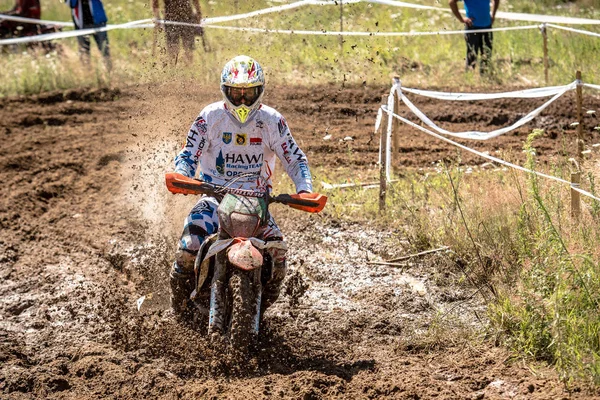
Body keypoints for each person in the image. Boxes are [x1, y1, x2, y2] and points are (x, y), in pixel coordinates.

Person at [169, 55, 313, 318]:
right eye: (237, 92)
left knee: (278, 251)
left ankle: (261, 303)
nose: (243, 100)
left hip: (257, 202)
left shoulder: (273, 121)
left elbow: (295, 158)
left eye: (249, 93)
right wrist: (183, 176)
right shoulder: (210, 117)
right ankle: (178, 311)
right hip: (214, 197)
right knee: (188, 247)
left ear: (260, 90)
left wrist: (304, 189)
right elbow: (188, 153)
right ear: (226, 90)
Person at [449, 0, 500, 74]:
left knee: (487, 54)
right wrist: (461, 19)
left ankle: (485, 79)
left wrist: (493, 15)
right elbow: (451, 2)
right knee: (472, 55)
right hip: (472, 27)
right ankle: (469, 78)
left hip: (487, 27)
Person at [152, 0, 209, 65]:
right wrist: (157, 16)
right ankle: (173, 71)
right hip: (171, 19)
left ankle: (188, 70)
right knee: (173, 51)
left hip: (187, 18)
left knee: (188, 49)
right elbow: (155, 2)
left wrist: (198, 13)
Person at [65, 0, 111, 70]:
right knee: (84, 52)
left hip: (98, 21)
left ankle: (109, 72)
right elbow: (70, 4)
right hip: (81, 23)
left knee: (104, 49)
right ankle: (87, 74)